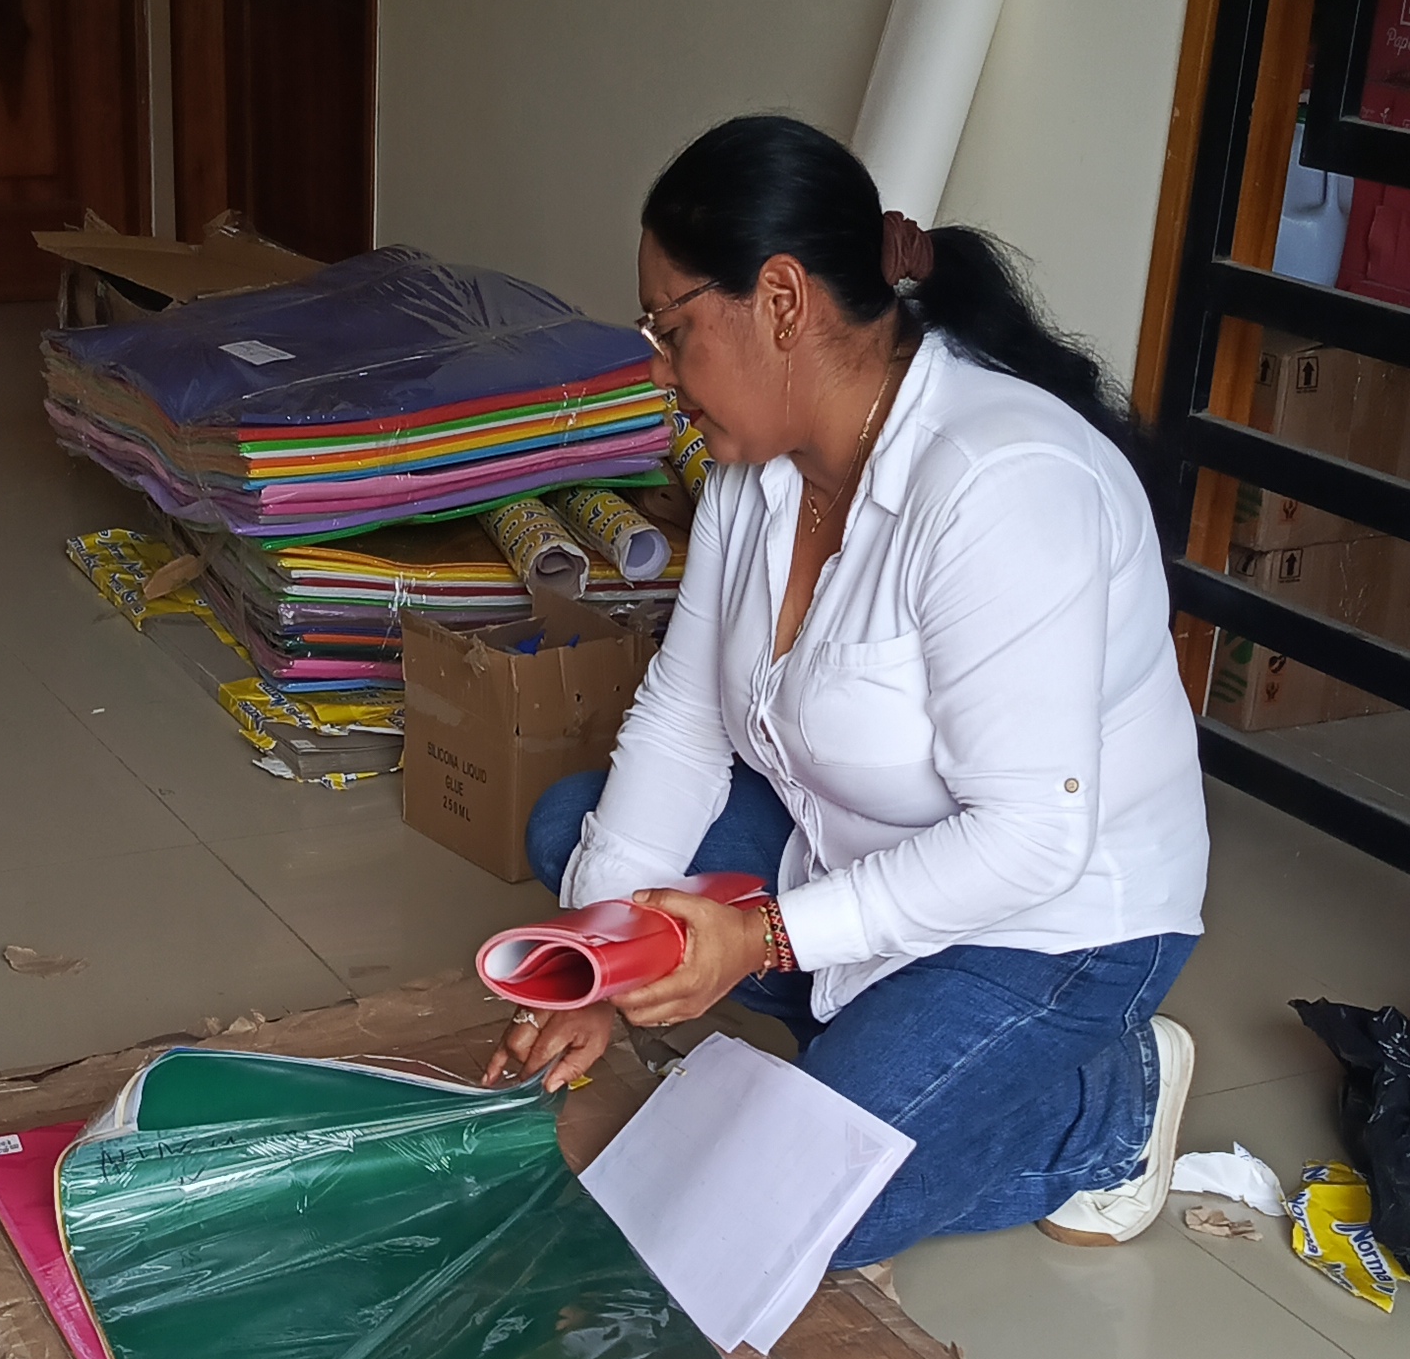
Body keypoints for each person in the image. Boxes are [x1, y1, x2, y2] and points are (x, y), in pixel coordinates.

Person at [486, 114, 1208, 1271]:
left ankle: (1106, 1108)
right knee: (575, 836)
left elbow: (1031, 841)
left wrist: (760, 936)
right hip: (860, 851)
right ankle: (875, 1041)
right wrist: (599, 971)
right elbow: (682, 717)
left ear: (780, 300)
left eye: (673, 330)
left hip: (1051, 920)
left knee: (780, 1217)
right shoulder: (758, 466)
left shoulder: (1001, 485)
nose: (660, 371)